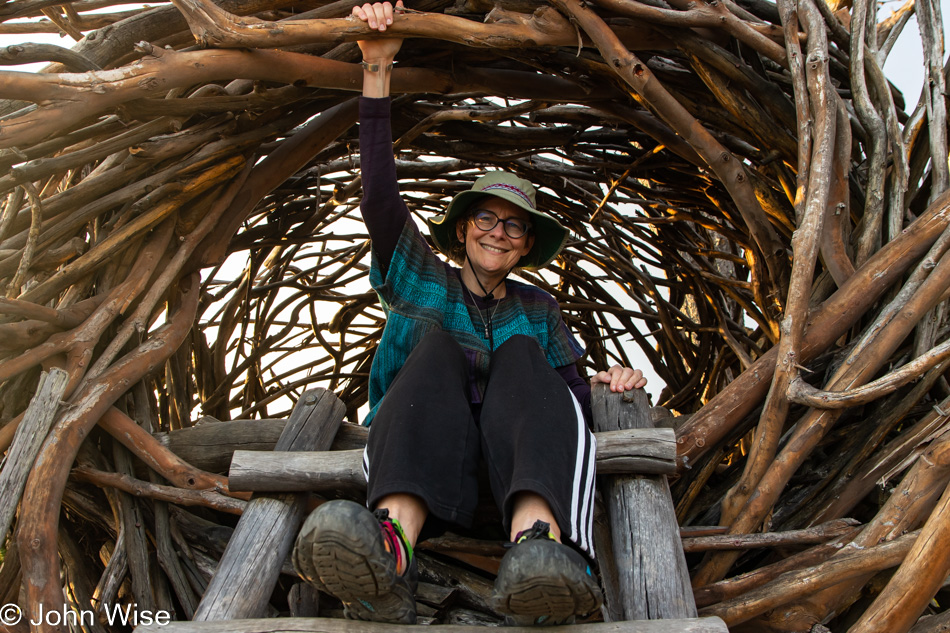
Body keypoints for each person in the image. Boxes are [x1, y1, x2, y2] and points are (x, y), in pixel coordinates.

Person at [292, 1, 647, 626]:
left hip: (519, 477)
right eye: (486, 217)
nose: (500, 232)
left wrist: (607, 383)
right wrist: (376, 74)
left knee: (521, 354)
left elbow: (564, 401)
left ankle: (538, 550)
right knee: (435, 351)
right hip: (430, 470)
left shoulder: (539, 308)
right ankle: (389, 545)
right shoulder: (424, 280)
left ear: (526, 244)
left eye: (515, 225)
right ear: (462, 229)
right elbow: (379, 199)